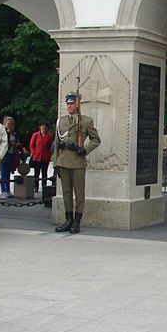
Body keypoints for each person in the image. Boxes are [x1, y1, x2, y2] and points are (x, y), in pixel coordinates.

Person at [54, 92, 101, 234]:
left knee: (79, 193)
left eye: (72, 103)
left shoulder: (85, 121)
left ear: (78, 104)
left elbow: (96, 140)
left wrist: (85, 149)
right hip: (63, 161)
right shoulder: (61, 121)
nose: (69, 106)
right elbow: (57, 143)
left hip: (78, 161)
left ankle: (77, 221)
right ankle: (68, 220)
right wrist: (56, 163)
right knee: (66, 193)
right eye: (68, 103)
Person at [29, 122, 54, 192]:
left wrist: (49, 154)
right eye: (42, 126)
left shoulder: (50, 136)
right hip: (37, 157)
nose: (44, 128)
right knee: (36, 173)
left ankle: (44, 186)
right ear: (40, 127)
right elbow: (32, 144)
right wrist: (33, 153)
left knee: (44, 173)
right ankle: (35, 186)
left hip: (45, 157)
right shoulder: (35, 135)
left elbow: (51, 146)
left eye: (45, 126)